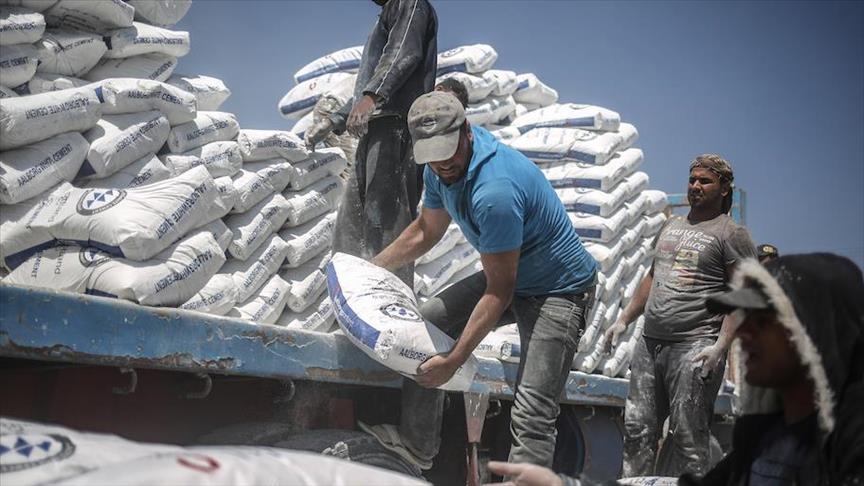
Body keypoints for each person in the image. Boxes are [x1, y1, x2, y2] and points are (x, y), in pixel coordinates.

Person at [363, 91, 599, 471]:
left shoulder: (495, 192)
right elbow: (426, 230)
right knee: (426, 323)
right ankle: (418, 445)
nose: (443, 163)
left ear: (467, 131)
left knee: (533, 411)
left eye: (448, 151)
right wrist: (374, 268)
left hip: (559, 291)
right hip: (512, 276)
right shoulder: (438, 169)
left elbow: (499, 292)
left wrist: (453, 360)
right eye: (432, 155)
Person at [487, 253, 864, 485]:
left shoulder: (850, 441)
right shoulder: (762, 438)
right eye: (744, 318)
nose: (742, 332)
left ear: (813, 333)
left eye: (763, 322)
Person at [602, 155, 757, 477]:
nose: (695, 186)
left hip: (694, 345)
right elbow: (652, 276)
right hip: (650, 344)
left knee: (688, 435)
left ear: (724, 188)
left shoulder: (731, 234)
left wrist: (720, 346)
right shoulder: (672, 225)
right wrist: (624, 319)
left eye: (705, 181)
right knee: (637, 430)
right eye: (692, 180)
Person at [304, 0, 438, 285]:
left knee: (386, 223)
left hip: (395, 127)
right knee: (351, 225)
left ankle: (390, 298)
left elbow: (403, 52)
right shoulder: (386, 15)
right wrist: (336, 120)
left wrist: (372, 96)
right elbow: (369, 82)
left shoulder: (410, 3)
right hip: (374, 127)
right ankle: (350, 295)